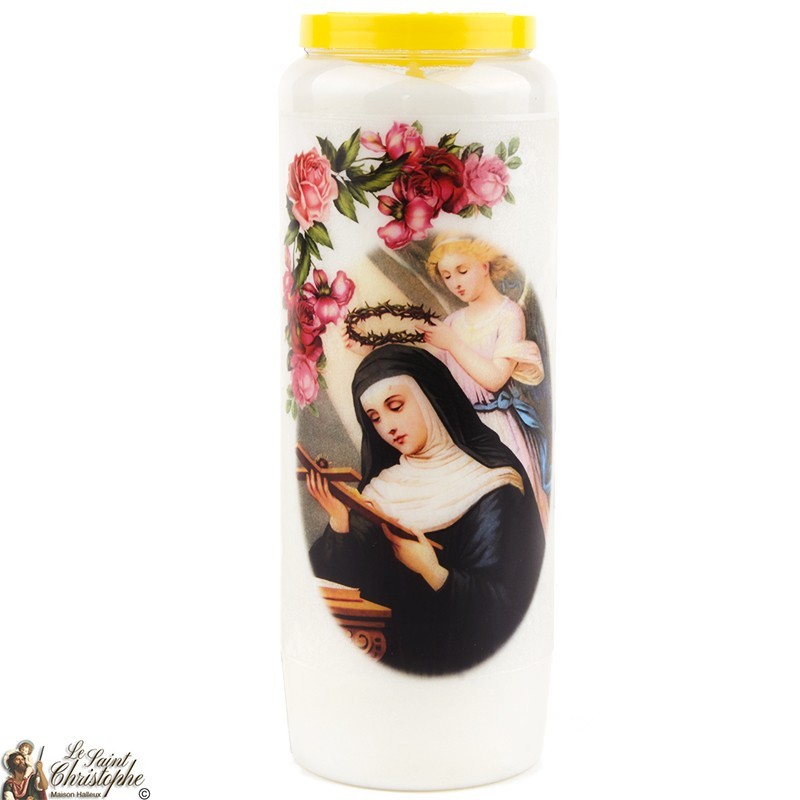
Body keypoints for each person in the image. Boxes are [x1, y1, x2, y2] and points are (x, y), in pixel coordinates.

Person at [306, 345, 545, 675]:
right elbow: (333, 585)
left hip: (461, 670)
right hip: (378, 669)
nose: (388, 427)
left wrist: (433, 571)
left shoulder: (493, 486)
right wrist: (339, 522)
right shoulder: (380, 491)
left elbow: (507, 605)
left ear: (430, 397)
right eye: (375, 417)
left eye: (396, 406)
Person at [417, 234, 551, 533]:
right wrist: (369, 350)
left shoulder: (508, 314)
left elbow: (494, 379)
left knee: (508, 516)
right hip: (464, 432)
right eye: (447, 276)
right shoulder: (453, 322)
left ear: (484, 265)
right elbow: (427, 374)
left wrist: (452, 344)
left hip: (499, 430)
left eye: (462, 270)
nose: (455, 283)